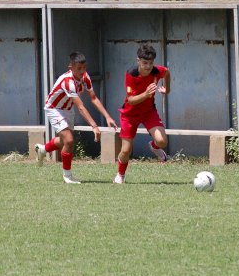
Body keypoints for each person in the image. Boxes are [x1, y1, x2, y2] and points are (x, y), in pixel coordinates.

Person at [35, 52, 118, 184]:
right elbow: (80, 107)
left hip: (68, 110)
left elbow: (94, 98)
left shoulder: (85, 77)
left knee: (64, 142)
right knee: (69, 140)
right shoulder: (68, 81)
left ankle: (43, 149)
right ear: (70, 67)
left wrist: (108, 117)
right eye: (79, 68)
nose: (82, 71)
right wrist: (94, 126)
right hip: (54, 109)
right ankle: (67, 176)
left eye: (84, 68)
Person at [114, 44, 171, 184]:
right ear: (138, 60)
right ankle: (120, 174)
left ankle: (154, 146)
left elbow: (167, 72)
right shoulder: (131, 74)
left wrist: (167, 89)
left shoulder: (157, 71)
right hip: (129, 115)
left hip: (148, 112)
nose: (148, 66)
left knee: (162, 141)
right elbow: (131, 100)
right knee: (126, 150)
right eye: (145, 63)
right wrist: (146, 94)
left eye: (151, 63)